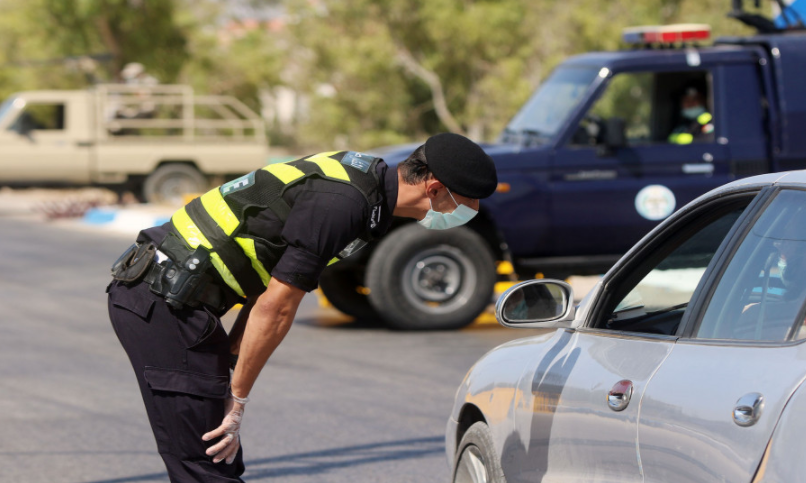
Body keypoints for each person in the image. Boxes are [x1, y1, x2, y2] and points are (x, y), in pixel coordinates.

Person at [106, 132, 498, 481]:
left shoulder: (365, 182)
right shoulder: (343, 203)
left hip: (179, 299)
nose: (473, 211)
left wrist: (230, 370)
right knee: (204, 459)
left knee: (218, 458)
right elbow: (277, 307)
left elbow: (264, 291)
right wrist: (237, 400)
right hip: (161, 299)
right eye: (468, 202)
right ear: (433, 189)